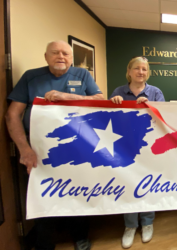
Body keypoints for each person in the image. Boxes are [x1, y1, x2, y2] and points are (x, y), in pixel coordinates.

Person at [5, 40, 104, 250]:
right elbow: (12, 115)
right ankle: (45, 243)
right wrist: (24, 150)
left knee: (79, 191)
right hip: (39, 150)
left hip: (77, 147)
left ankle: (80, 237)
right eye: (55, 53)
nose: (61, 57)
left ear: (71, 58)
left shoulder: (82, 76)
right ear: (46, 56)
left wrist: (66, 96)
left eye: (65, 54)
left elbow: (98, 99)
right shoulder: (31, 77)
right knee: (43, 195)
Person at [110, 56, 164, 249]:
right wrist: (113, 103)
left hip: (149, 147)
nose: (141, 72)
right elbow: (110, 120)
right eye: (137, 68)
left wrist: (149, 105)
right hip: (125, 147)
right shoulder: (119, 92)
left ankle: (147, 222)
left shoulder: (155, 92)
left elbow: (163, 118)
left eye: (144, 69)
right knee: (128, 183)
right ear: (129, 71)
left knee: (147, 182)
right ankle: (130, 225)